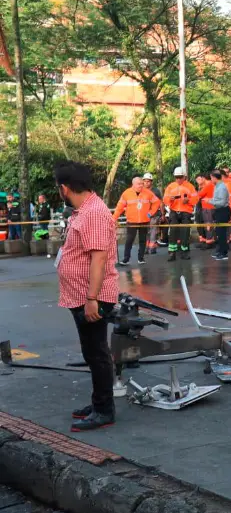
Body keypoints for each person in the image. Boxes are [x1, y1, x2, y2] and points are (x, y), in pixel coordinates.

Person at [54, 161, 119, 432]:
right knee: (92, 352)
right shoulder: (84, 210)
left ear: (64, 188)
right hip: (82, 294)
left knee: (97, 353)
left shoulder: (93, 213)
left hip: (91, 297)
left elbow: (99, 257)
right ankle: (98, 403)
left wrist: (92, 298)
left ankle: (104, 410)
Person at [113, 177, 160, 266]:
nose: (141, 185)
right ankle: (126, 259)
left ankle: (141, 258)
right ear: (133, 184)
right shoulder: (126, 193)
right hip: (132, 221)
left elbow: (157, 202)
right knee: (129, 240)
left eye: (142, 183)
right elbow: (119, 207)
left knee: (143, 240)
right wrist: (114, 218)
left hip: (144, 221)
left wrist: (150, 213)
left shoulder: (148, 192)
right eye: (139, 184)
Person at [163, 167, 197, 261]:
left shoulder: (190, 186)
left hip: (186, 211)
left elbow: (195, 199)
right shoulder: (170, 186)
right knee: (173, 230)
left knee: (185, 231)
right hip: (174, 210)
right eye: (176, 177)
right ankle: (172, 253)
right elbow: (165, 199)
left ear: (184, 177)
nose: (178, 179)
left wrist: (188, 200)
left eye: (180, 177)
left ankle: (185, 252)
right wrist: (170, 200)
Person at [208, 170, 231, 261]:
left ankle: (223, 253)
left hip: (223, 211)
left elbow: (221, 202)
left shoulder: (221, 187)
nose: (211, 180)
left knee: (221, 233)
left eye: (211, 178)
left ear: (214, 177)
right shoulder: (217, 186)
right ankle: (220, 251)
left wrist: (210, 201)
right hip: (219, 211)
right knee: (219, 232)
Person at [142, 173, 164, 254]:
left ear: (151, 182)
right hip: (144, 215)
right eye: (145, 181)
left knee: (153, 231)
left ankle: (152, 247)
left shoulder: (156, 191)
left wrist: (162, 214)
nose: (146, 183)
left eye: (148, 181)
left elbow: (161, 203)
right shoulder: (141, 190)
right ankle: (146, 248)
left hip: (154, 214)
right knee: (145, 232)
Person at [195, 173, 216, 249]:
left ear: (203, 178)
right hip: (209, 207)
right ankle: (208, 240)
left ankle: (209, 242)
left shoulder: (208, 185)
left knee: (208, 224)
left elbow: (199, 195)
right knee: (208, 224)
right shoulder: (212, 184)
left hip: (207, 207)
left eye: (200, 179)